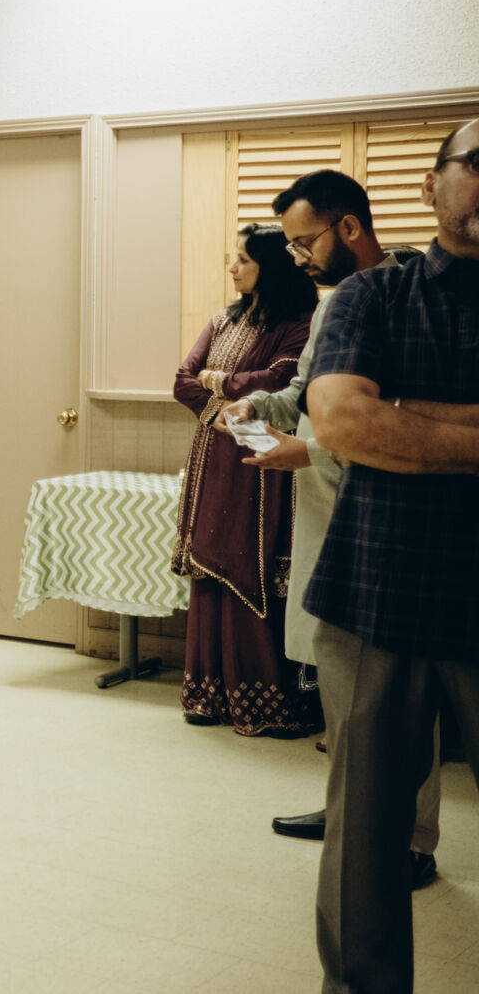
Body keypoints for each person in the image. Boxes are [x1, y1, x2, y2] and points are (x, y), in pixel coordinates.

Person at [221, 170, 438, 888]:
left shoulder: (413, 297)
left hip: (391, 522)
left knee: (402, 697)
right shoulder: (332, 305)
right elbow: (304, 394)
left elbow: (396, 421)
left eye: (304, 242)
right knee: (341, 687)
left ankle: (412, 839)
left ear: (348, 227)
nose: (297, 258)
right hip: (324, 514)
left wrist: (306, 451)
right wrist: (258, 408)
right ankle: (349, 812)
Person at [306, 119, 479, 993]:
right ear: (431, 183)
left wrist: (407, 414)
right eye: (478, 163)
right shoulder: (371, 297)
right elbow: (342, 420)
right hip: (378, 595)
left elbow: (375, 421)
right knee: (365, 844)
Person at [170, 223, 320, 735]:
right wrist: (224, 402)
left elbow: (279, 382)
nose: (232, 268)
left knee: (250, 561)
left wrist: (218, 382)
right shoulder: (223, 319)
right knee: (210, 560)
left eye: (244, 260)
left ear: (270, 268)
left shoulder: (301, 323)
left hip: (264, 458)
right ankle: (208, 696)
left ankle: (264, 701)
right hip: (215, 452)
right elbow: (182, 381)